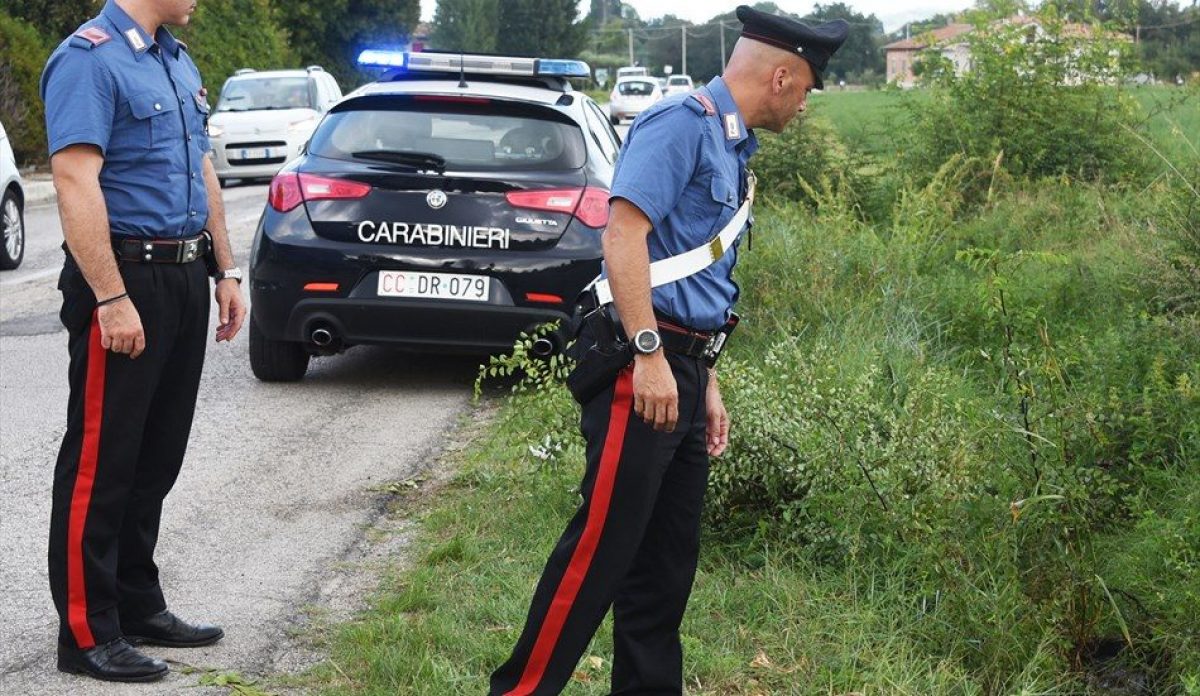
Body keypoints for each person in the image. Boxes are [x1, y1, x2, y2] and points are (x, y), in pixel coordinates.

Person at [488, 6, 847, 695]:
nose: (804, 104)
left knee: (664, 568)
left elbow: (693, 276)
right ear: (780, 77)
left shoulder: (733, 146)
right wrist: (650, 353)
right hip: (640, 364)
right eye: (805, 88)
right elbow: (622, 236)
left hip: (683, 367)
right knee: (598, 555)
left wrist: (704, 377)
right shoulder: (680, 124)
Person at [40, 0, 246, 683]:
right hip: (125, 277)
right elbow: (74, 180)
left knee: (155, 457)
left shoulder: (174, 61)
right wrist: (110, 296)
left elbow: (202, 170)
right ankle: (86, 632)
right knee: (102, 462)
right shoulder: (89, 60)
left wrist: (225, 268)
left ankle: (136, 603)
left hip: (183, 273)